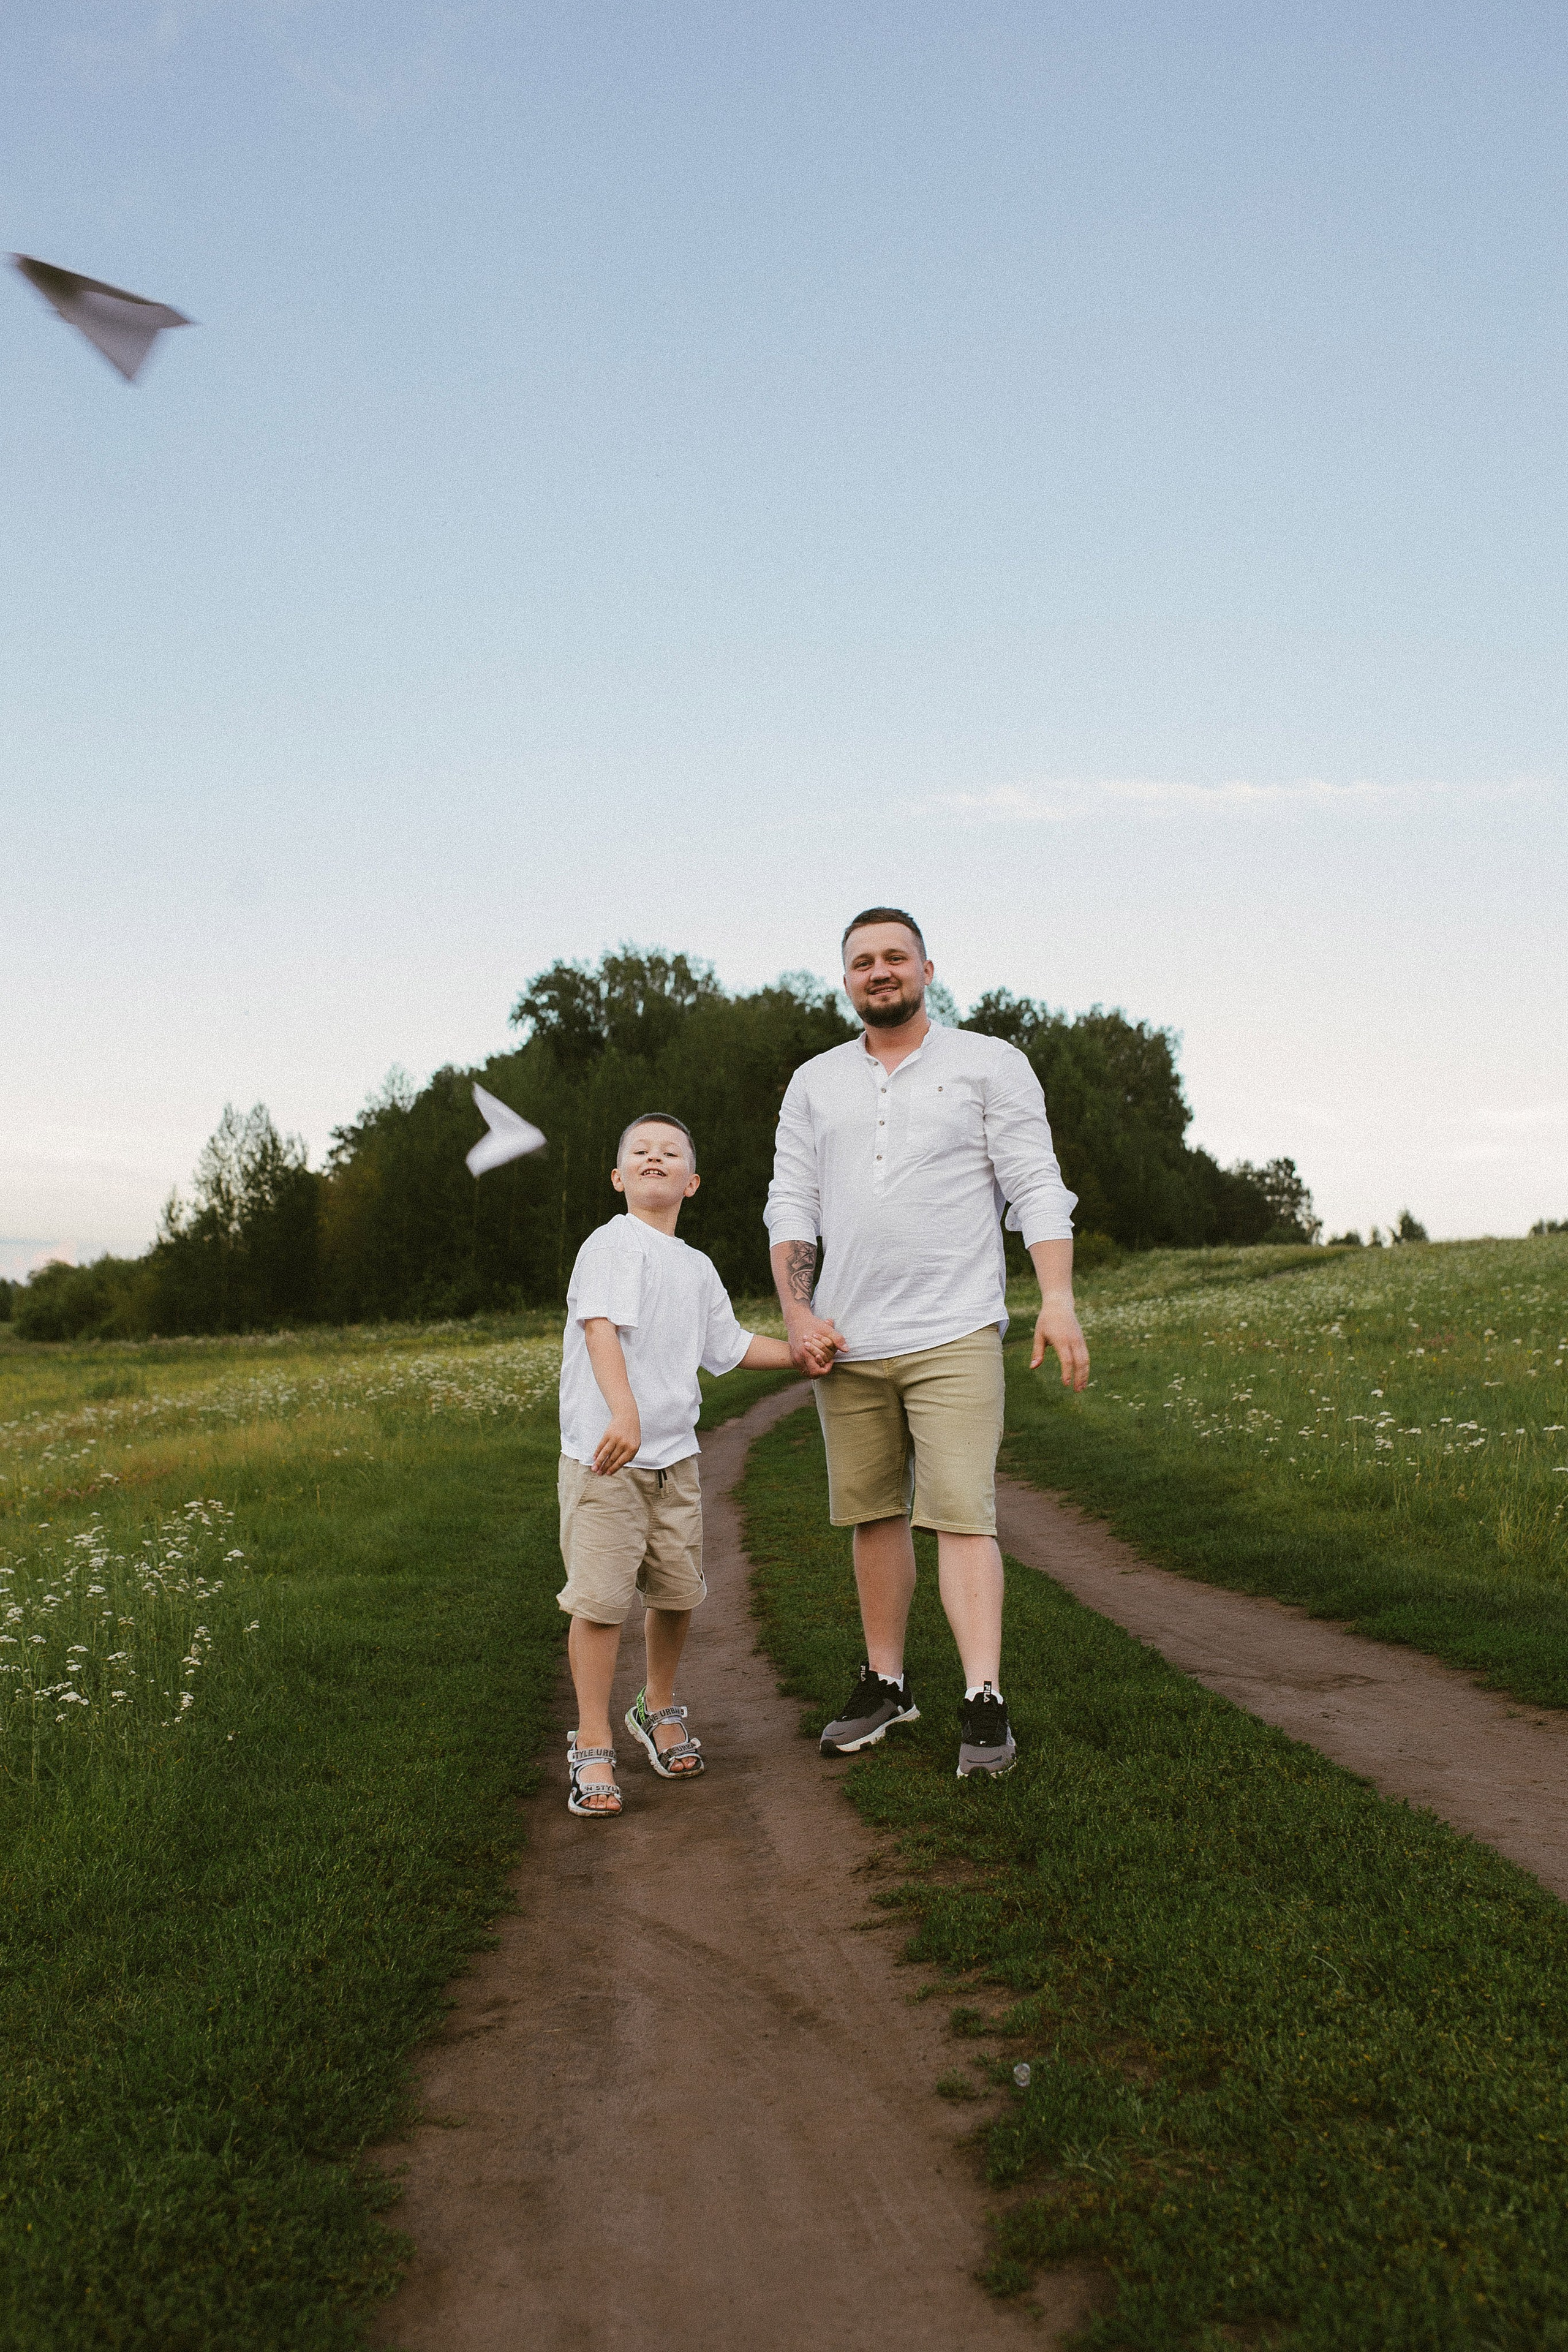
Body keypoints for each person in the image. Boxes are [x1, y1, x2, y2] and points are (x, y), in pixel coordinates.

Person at [764, 908, 1089, 1778]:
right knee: (873, 1516)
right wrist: (799, 1316)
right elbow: (791, 1204)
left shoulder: (990, 1064)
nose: (880, 971)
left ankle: (983, 1700)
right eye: (863, 961)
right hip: (849, 1339)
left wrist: (1056, 1297)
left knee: (959, 1515)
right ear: (845, 981)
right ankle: (886, 1683)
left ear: (927, 969)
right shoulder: (814, 1083)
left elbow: (1035, 1186)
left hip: (955, 1329)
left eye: (895, 958)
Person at [557, 1112, 815, 1817]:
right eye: (638, 1150)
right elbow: (600, 1329)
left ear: (691, 1182)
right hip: (608, 1457)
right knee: (603, 1602)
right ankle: (591, 1739)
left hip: (675, 1460)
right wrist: (625, 1413)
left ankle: (657, 1706)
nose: (654, 1158)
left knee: (675, 1594)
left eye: (670, 1152)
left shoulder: (696, 1268)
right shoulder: (610, 1245)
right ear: (618, 1177)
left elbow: (728, 1347)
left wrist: (804, 1352)